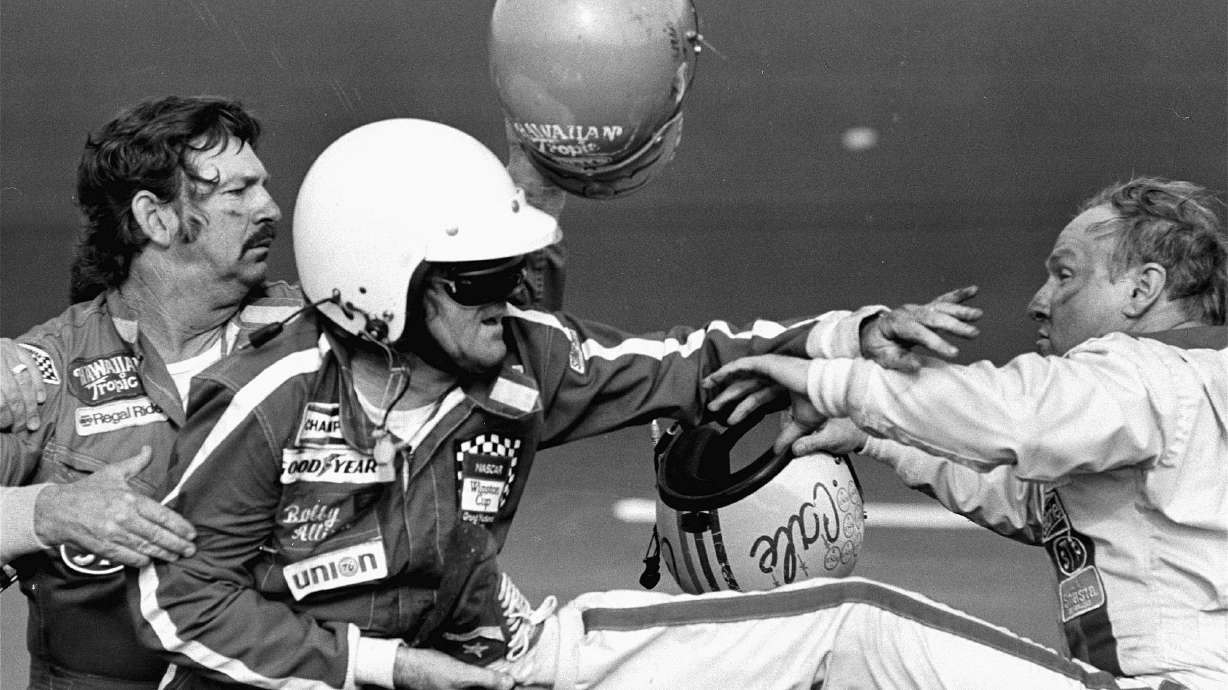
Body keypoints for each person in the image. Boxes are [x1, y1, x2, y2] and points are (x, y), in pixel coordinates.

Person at [127, 117, 976, 689]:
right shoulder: (269, 399)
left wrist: (844, 336)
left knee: (843, 627)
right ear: (376, 288)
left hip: (485, 663)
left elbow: (683, 363)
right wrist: (382, 667)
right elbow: (180, 602)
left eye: (511, 271)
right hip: (310, 681)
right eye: (481, 280)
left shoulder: (526, 361)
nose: (508, 298)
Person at [701, 177, 1227, 689]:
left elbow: (1017, 417)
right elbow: (1030, 502)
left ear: (1143, 289)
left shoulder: (1154, 373)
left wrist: (828, 380)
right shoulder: (1190, 385)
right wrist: (869, 434)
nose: (1039, 301)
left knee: (851, 630)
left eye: (1065, 276)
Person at [0, 95, 304, 688]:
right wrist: (45, 513)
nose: (270, 207)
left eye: (262, 187)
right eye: (237, 192)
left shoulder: (312, 340)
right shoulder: (46, 373)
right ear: (156, 218)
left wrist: (538, 175)